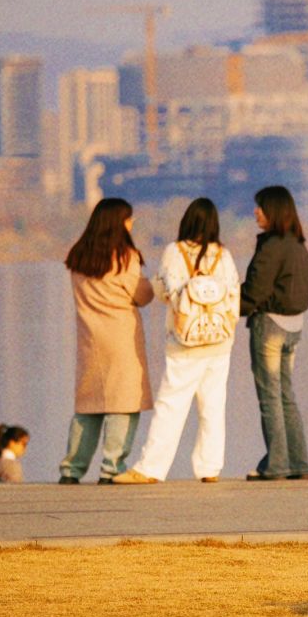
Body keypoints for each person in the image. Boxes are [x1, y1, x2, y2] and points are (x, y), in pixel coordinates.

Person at [115, 198, 240, 484]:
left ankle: (150, 468)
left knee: (171, 405)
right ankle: (209, 468)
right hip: (220, 342)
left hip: (185, 342)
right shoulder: (224, 254)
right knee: (213, 406)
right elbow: (234, 294)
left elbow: (163, 291)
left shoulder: (175, 251)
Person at [58, 198, 153, 484]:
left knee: (89, 406)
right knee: (123, 404)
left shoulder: (79, 256)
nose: (131, 223)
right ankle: (112, 467)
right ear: (118, 222)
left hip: (90, 340)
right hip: (121, 338)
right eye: (128, 218)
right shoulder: (123, 256)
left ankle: (72, 469)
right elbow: (142, 295)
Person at [240, 185, 308, 481]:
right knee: (285, 396)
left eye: (261, 207)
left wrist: (227, 309)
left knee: (270, 397)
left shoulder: (272, 246)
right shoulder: (298, 245)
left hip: (269, 326)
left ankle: (277, 465)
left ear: (275, 211)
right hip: (294, 326)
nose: (256, 211)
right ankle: (298, 463)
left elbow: (255, 291)